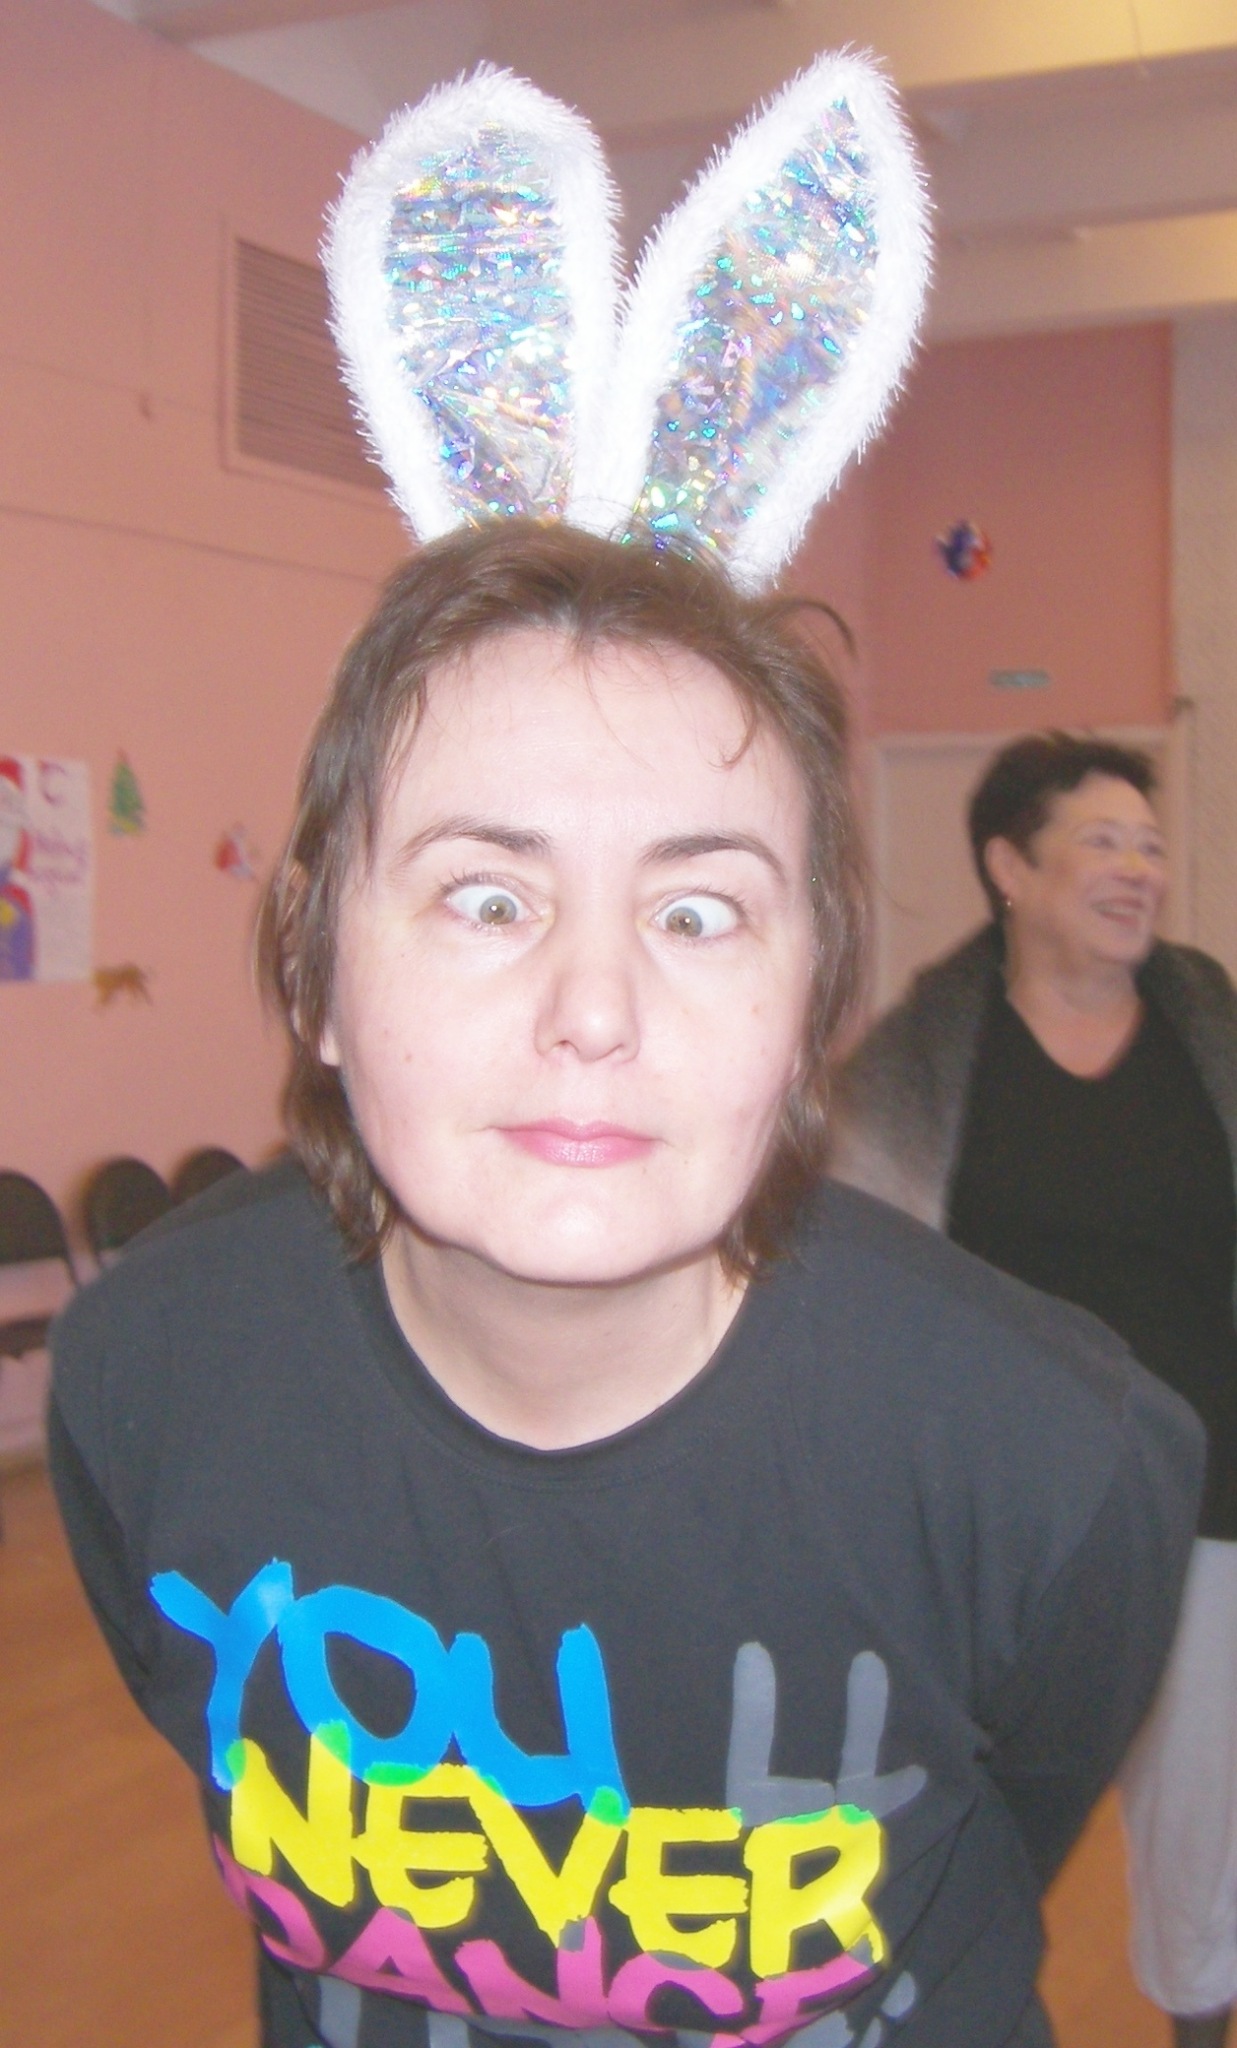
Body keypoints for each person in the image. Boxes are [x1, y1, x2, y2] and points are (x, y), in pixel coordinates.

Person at [49, 57, 1200, 2048]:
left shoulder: (1046, 1454)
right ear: (316, 964)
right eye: (487, 896)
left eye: (698, 911)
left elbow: (1012, 1817)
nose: (593, 1009)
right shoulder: (155, 1371)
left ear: (815, 993)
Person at [831, 730, 1237, 2048]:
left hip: (1208, 1498)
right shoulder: (917, 1062)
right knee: (970, 1815)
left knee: (1202, 1825)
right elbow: (855, 1277)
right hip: (1001, 1526)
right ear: (1010, 867)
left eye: (1150, 847)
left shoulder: (1213, 1033)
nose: (1138, 870)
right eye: (1101, 842)